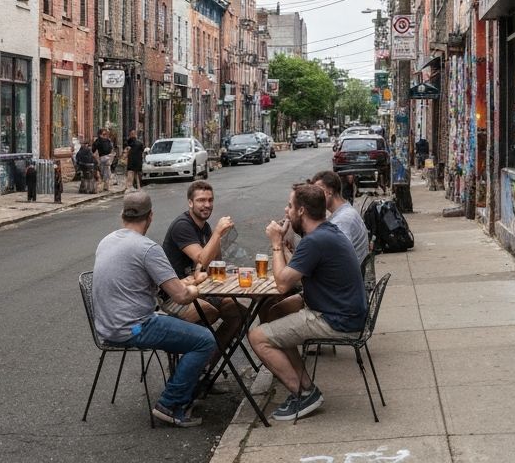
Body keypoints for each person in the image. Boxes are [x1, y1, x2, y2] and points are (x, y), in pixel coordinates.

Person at [92, 190, 218, 428]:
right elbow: (181, 297)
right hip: (136, 327)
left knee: (190, 331)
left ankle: (184, 388)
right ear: (150, 216)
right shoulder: (147, 248)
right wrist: (197, 289)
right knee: (205, 340)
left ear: (123, 215)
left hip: (107, 326)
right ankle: (170, 403)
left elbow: (155, 284)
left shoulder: (106, 240)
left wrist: (188, 283)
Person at [248, 183, 367, 423]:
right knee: (276, 313)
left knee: (257, 337)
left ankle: (303, 393)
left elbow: (282, 284)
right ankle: (304, 385)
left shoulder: (315, 241)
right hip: (343, 310)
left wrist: (276, 243)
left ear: (301, 211)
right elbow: (295, 271)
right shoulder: (326, 232)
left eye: (290, 206)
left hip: (336, 318)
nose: (286, 211)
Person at [160, 181, 244, 377]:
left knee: (238, 313)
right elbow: (201, 258)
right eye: (201, 200)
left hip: (199, 290)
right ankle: (184, 371)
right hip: (175, 295)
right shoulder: (183, 226)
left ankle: (204, 368)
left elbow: (216, 264)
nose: (207, 205)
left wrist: (215, 239)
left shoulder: (204, 227)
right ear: (190, 203)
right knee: (209, 311)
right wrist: (217, 233)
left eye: (210, 200)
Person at [310, 170, 370, 262]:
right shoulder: (345, 211)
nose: (314, 197)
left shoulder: (342, 220)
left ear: (329, 193)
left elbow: (336, 257)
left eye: (317, 192)